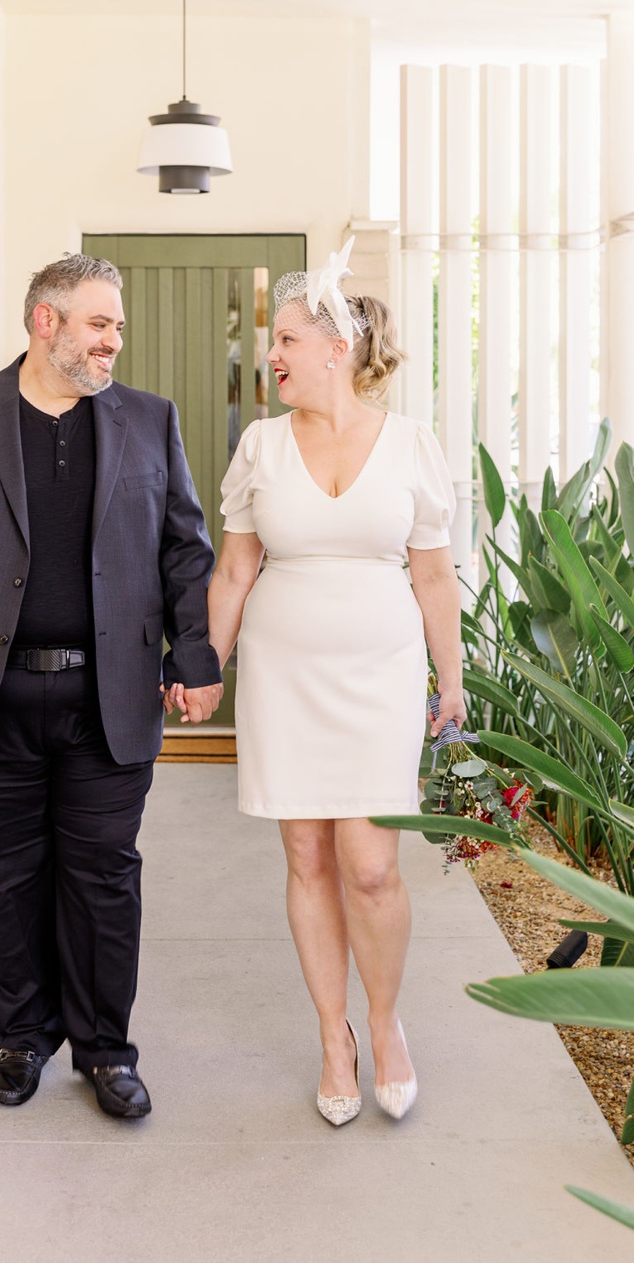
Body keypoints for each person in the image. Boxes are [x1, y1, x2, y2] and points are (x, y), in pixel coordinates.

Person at [0, 253, 222, 1117]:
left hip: (112, 694)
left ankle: (107, 1049)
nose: (113, 341)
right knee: (9, 876)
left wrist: (196, 657)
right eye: (99, 324)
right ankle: (22, 1035)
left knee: (104, 876)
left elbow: (185, 546)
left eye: (117, 327)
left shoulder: (149, 418)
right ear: (45, 322)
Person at [202, 239, 462, 1125]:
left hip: (383, 674)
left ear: (334, 348)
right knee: (308, 855)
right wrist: (206, 666)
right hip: (283, 674)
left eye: (281, 340)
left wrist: (451, 679)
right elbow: (234, 572)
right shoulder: (260, 445)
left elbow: (433, 576)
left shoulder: (414, 446)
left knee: (373, 864)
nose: (269, 356)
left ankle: (386, 1025)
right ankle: (333, 1036)